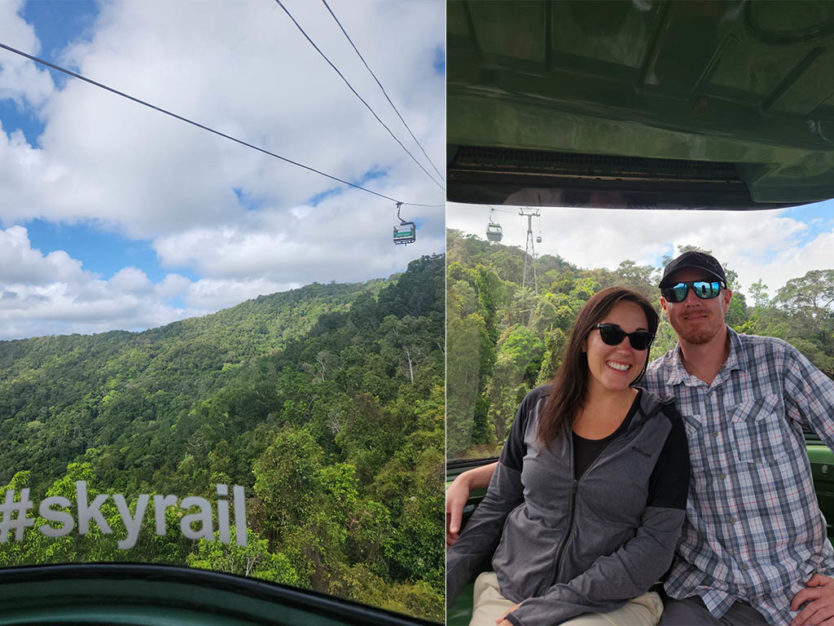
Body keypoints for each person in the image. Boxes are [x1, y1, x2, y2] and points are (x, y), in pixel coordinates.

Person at [447, 251, 834, 626]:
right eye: (678, 292)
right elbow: (578, 455)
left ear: (726, 298)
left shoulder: (776, 362)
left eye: (705, 287)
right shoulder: (647, 387)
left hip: (802, 586)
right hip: (707, 593)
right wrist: (469, 478)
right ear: (666, 308)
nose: (692, 299)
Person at [446, 287, 690, 626]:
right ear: (582, 339)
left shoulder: (661, 426)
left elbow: (655, 547)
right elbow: (497, 505)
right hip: (511, 589)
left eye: (639, 339)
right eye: (611, 333)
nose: (625, 348)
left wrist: (535, 616)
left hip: (610, 604)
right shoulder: (537, 407)